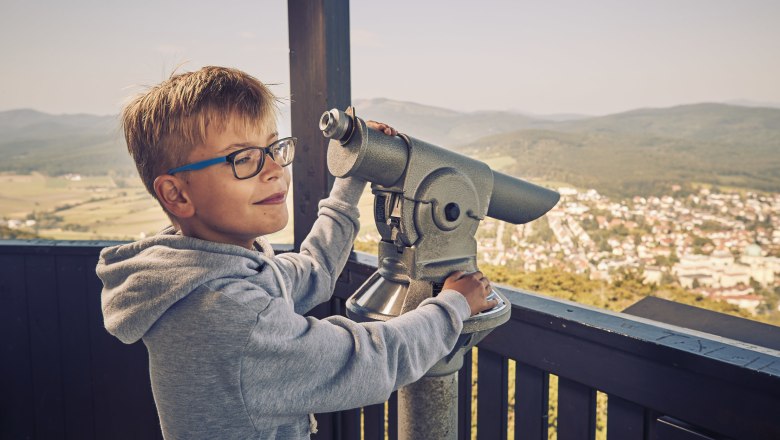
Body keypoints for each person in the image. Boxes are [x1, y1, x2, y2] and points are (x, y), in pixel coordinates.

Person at [96, 66, 497, 439]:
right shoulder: (228, 312)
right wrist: (453, 306)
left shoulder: (215, 271)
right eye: (244, 159)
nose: (273, 169)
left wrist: (357, 169)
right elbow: (370, 361)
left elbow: (315, 268)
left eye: (273, 148)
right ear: (177, 194)